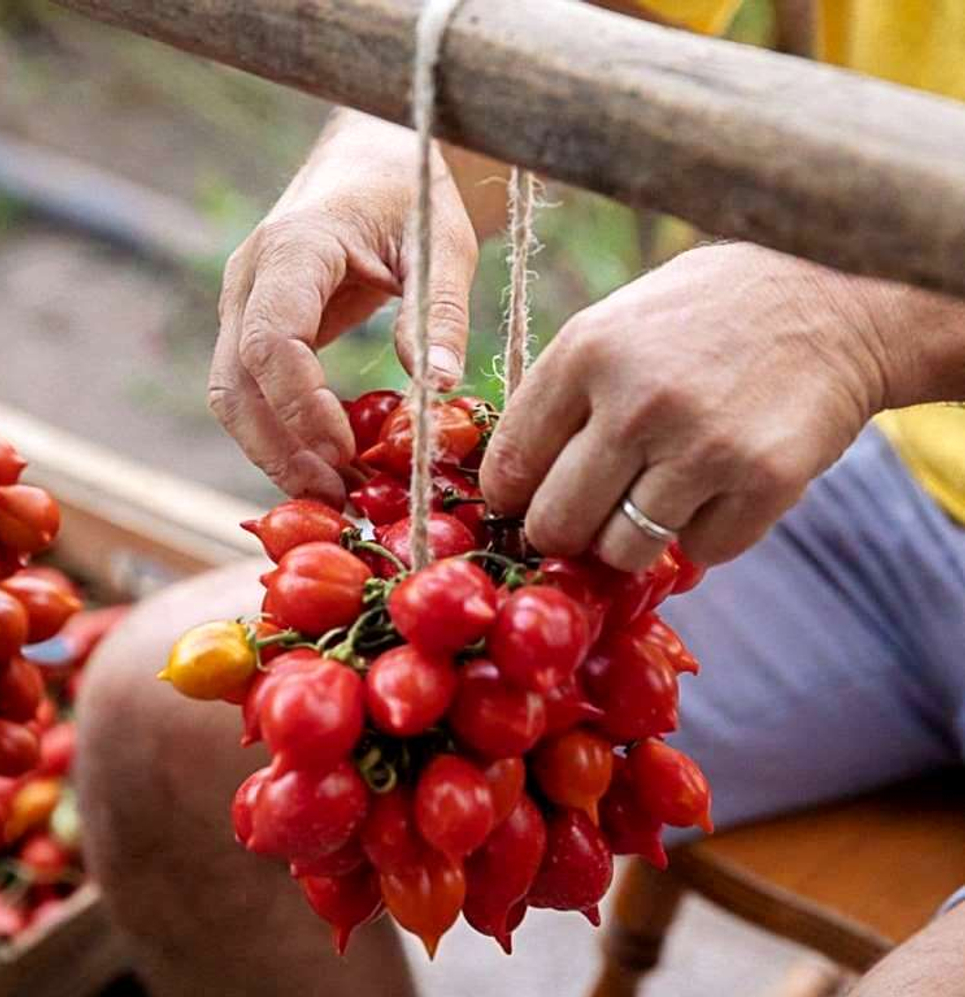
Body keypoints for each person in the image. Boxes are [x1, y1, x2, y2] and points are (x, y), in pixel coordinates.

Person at [78, 2, 965, 995]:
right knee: (147, 724)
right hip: (903, 492)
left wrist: (865, 318)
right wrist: (390, 142)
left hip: (892, 418)